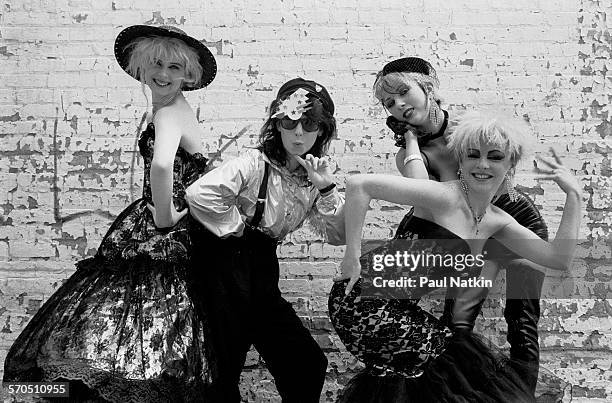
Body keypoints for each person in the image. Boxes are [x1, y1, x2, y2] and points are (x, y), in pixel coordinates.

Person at [3, 25, 217, 402]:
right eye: (155, 64)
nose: (163, 74)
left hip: (162, 232)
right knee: (146, 325)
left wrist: (166, 218)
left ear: (188, 75)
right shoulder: (173, 108)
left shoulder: (169, 114)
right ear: (141, 66)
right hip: (169, 225)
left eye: (173, 68)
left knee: (140, 321)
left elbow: (164, 167)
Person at [330, 111, 581, 402]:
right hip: (360, 300)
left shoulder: (497, 222)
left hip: (396, 310)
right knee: (458, 370)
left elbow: (558, 258)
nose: (483, 164)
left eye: (495, 157)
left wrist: (573, 195)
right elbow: (359, 185)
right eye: (473, 155)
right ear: (461, 160)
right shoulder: (445, 196)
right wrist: (352, 255)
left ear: (510, 165)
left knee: (428, 383)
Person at [374, 57, 551, 392]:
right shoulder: (411, 154)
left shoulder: (470, 126)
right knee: (457, 325)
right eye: (387, 102)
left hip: (516, 220)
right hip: (470, 237)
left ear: (427, 87)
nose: (397, 104)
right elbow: (423, 195)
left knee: (522, 322)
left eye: (402, 92)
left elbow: (506, 167)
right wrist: (411, 140)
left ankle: (522, 398)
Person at [185, 78, 345, 402]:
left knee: (306, 363)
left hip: (261, 274)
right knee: (221, 373)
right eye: (290, 122)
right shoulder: (255, 162)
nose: (299, 133)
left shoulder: (314, 177)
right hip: (224, 272)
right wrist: (237, 229)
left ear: (322, 130)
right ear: (278, 124)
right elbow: (199, 194)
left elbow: (338, 235)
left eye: (309, 123)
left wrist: (326, 188)